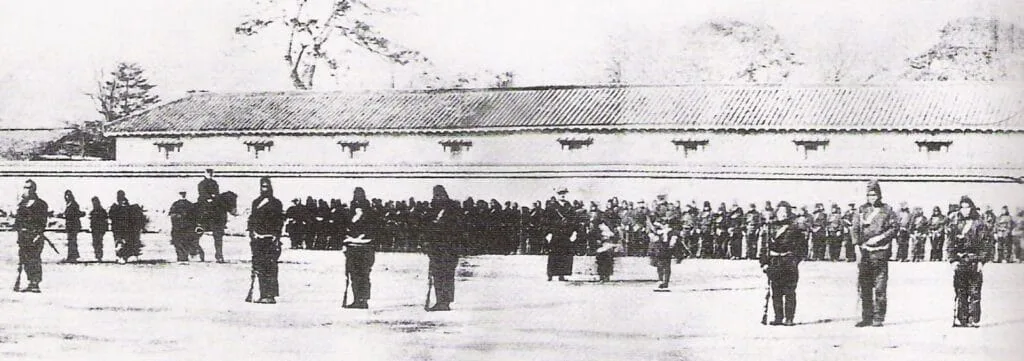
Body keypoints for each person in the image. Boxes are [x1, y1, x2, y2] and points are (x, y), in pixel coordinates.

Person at [852, 180, 899, 327]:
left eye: (874, 195)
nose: (872, 197)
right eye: (869, 195)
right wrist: (855, 245)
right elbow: (855, 229)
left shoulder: (887, 210)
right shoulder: (861, 210)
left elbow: (894, 228)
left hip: (880, 252)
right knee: (865, 286)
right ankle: (866, 317)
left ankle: (878, 317)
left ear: (879, 195)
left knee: (880, 287)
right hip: (864, 251)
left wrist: (880, 238)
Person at [759, 201, 807, 326]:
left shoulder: (795, 228)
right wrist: (764, 263)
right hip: (774, 262)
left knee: (790, 291)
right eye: (780, 212)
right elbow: (764, 247)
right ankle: (778, 318)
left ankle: (789, 318)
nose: (783, 215)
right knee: (776, 292)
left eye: (785, 212)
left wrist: (795, 260)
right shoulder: (770, 227)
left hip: (789, 262)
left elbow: (803, 247)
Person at [948, 196, 991, 327]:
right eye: (962, 207)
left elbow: (985, 244)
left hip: (974, 260)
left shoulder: (979, 224)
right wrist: (953, 260)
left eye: (967, 207)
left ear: (971, 208)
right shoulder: (955, 223)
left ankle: (973, 319)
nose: (965, 210)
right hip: (960, 260)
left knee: (974, 291)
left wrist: (981, 261)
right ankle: (962, 318)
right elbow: (950, 242)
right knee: (960, 291)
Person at [247, 177, 285, 304]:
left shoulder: (276, 203)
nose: (264, 189)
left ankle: (270, 294)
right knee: (259, 267)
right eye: (262, 186)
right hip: (258, 239)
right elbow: (252, 219)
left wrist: (276, 235)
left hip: (270, 239)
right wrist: (252, 232)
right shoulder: (256, 202)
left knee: (271, 267)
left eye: (266, 186)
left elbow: (279, 220)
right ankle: (262, 293)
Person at [425, 185, 460, 311]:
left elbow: (457, 229)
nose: (437, 197)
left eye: (439, 195)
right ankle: (440, 300)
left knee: (447, 275)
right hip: (436, 248)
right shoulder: (433, 210)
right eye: (436, 195)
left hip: (449, 248)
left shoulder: (452, 210)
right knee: (438, 275)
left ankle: (445, 301)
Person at [343, 187, 376, 309]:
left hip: (365, 247)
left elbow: (372, 229)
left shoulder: (370, 213)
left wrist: (360, 237)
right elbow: (346, 227)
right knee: (354, 274)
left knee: (363, 274)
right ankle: (357, 298)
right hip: (352, 247)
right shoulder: (350, 213)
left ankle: (363, 299)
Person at [15, 179, 49, 293]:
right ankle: (30, 281)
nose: (26, 190)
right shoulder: (22, 204)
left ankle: (35, 283)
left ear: (34, 189)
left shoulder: (40, 204)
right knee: (25, 260)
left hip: (35, 237)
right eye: (24, 187)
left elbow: (42, 222)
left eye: (28, 188)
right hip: (23, 237)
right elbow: (18, 221)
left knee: (34, 259)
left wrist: (38, 234)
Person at [545, 194, 577, 282]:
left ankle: (562, 274)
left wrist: (574, 232)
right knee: (554, 254)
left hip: (566, 234)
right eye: (560, 193)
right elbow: (547, 220)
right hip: (555, 233)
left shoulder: (569, 206)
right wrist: (548, 233)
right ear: (557, 195)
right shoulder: (552, 207)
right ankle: (550, 274)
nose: (562, 195)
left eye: (564, 193)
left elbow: (574, 220)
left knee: (565, 254)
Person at [109, 190, 145, 263]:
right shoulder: (115, 206)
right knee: (119, 243)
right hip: (118, 228)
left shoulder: (126, 205)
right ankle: (120, 256)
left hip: (125, 228)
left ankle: (123, 256)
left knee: (124, 242)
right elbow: (111, 216)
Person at [169, 191, 201, 262]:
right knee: (182, 242)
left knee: (180, 242)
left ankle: (182, 257)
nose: (182, 195)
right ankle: (182, 257)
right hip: (183, 227)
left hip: (182, 227)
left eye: (183, 194)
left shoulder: (178, 204)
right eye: (182, 194)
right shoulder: (188, 204)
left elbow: (172, 215)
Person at [58, 190, 85, 263]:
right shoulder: (69, 204)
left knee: (72, 241)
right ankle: (73, 256)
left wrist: (63, 215)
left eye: (68, 195)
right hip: (70, 226)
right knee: (71, 241)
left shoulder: (73, 204)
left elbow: (72, 214)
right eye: (66, 195)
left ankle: (72, 257)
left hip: (73, 226)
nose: (67, 197)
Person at [89, 196, 108, 261]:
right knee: (95, 243)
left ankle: (99, 256)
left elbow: (105, 220)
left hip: (100, 230)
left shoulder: (102, 211)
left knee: (99, 243)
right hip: (94, 230)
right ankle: (97, 255)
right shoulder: (93, 211)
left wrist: (104, 229)